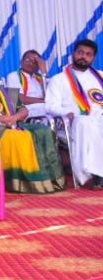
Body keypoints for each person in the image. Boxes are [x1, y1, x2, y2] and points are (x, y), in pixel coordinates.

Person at [0, 60, 64, 193]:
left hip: (14, 123)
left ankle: (51, 179)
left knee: (44, 131)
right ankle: (24, 181)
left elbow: (24, 110)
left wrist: (14, 118)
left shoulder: (8, 92)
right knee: (20, 137)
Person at [46, 39, 103, 189]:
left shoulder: (100, 76)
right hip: (74, 121)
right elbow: (51, 106)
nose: (83, 56)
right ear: (73, 54)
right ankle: (92, 175)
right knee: (86, 122)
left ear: (93, 58)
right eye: (80, 52)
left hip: (100, 118)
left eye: (88, 54)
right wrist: (66, 112)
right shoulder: (58, 80)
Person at [5, 50, 49, 119]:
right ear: (21, 61)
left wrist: (44, 73)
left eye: (35, 62)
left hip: (43, 107)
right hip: (25, 110)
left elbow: (50, 95)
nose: (30, 63)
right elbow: (19, 99)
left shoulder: (40, 78)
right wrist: (44, 101)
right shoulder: (13, 76)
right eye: (28, 60)